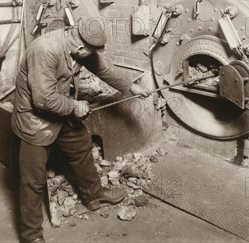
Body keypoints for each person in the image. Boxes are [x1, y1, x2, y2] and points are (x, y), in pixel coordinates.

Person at [11, 17, 150, 243]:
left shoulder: (78, 46)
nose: (94, 57)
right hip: (35, 120)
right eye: (91, 52)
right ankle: (31, 236)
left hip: (61, 112)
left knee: (82, 147)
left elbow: (102, 67)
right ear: (80, 47)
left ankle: (93, 196)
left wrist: (129, 86)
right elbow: (43, 100)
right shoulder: (45, 50)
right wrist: (74, 106)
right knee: (32, 180)